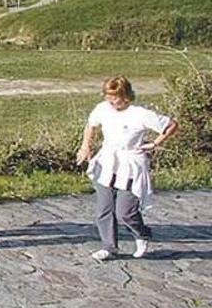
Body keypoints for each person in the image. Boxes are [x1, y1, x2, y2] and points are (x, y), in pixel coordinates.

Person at [76, 76, 179, 261]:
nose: (111, 101)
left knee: (125, 211)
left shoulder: (140, 114)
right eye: (108, 96)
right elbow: (91, 125)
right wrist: (86, 146)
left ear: (126, 96)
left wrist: (155, 143)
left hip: (130, 163)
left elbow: (171, 125)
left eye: (115, 97)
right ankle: (109, 246)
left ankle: (142, 234)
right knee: (104, 208)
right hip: (107, 161)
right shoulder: (102, 108)